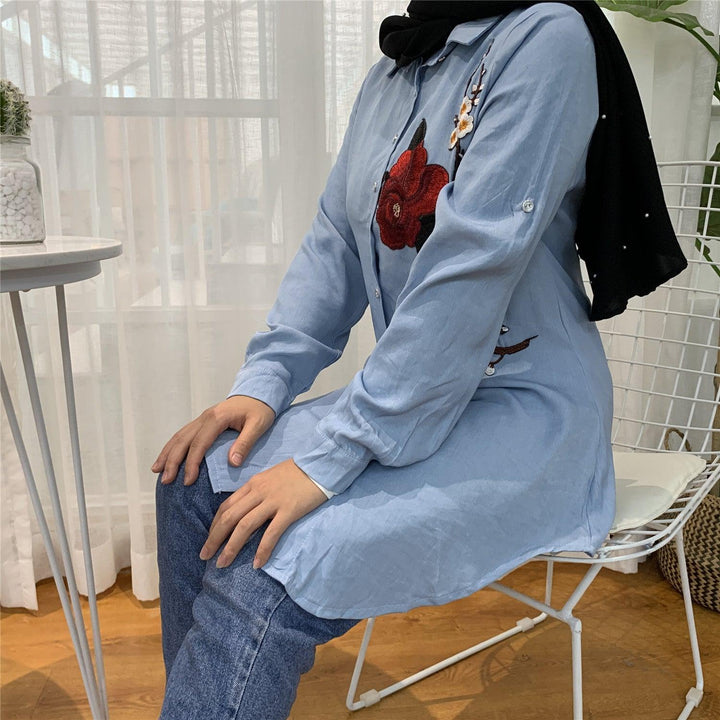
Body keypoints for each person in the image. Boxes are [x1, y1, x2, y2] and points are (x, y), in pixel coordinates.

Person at [153, 2, 686, 718]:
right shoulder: (392, 73)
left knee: (264, 569)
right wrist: (265, 381)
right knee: (191, 478)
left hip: (524, 416)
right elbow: (335, 240)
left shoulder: (546, 36)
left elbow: (471, 266)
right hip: (416, 398)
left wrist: (328, 459)